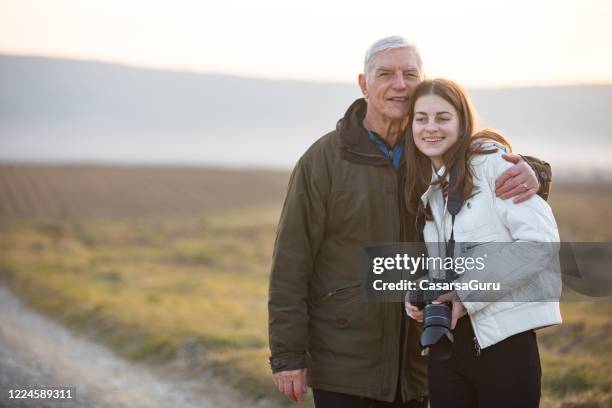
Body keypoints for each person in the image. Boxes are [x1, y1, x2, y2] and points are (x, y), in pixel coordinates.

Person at [268, 36, 552, 407]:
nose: (399, 84)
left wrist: (536, 172)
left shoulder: (435, 152)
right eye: (385, 74)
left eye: (409, 74)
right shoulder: (322, 161)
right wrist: (288, 356)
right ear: (363, 84)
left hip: (425, 356)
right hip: (346, 362)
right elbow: (291, 260)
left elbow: (490, 161)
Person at [404, 78, 561, 408]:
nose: (430, 127)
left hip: (504, 347)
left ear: (462, 123)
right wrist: (422, 296)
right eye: (421, 118)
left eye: (442, 118)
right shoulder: (431, 189)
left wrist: (466, 293)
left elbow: (538, 244)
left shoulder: (496, 166)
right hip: (447, 349)